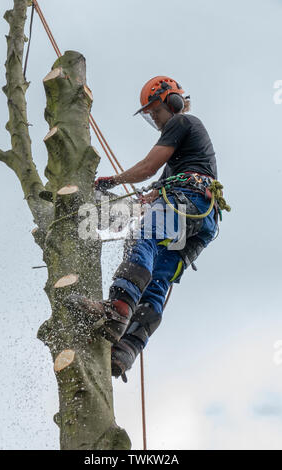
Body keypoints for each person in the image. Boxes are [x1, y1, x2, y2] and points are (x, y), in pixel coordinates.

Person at [64, 76, 219, 381]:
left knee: (142, 236)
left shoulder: (182, 122)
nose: (154, 118)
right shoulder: (181, 159)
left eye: (155, 111)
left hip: (189, 200)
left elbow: (148, 166)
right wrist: (149, 195)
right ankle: (126, 350)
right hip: (203, 219)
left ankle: (117, 308)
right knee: (157, 279)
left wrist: (113, 180)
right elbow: (159, 180)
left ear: (171, 102)